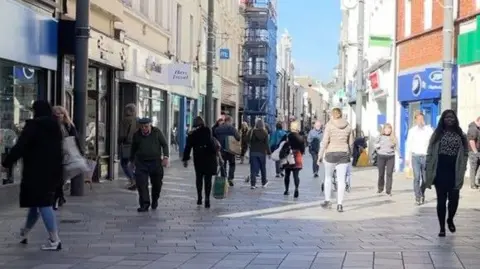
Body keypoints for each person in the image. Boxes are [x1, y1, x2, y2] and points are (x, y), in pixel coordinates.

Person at [2, 100, 63, 250]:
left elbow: (19, 147)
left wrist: (5, 163)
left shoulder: (33, 126)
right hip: (53, 171)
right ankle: (25, 232)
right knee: (36, 204)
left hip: (36, 172)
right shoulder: (55, 126)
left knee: (43, 204)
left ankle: (54, 239)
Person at [425, 109, 468, 237]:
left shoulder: (461, 134)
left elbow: (466, 152)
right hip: (440, 169)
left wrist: (463, 165)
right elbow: (430, 151)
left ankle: (450, 219)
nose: (450, 119)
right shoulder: (437, 134)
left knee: (454, 199)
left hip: (455, 169)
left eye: (452, 117)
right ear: (443, 120)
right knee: (441, 200)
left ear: (455, 119)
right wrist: (428, 168)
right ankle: (442, 228)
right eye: (447, 117)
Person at [129, 118, 169, 212]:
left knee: (157, 184)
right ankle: (144, 204)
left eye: (146, 126)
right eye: (142, 126)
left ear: (150, 125)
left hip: (155, 162)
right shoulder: (137, 135)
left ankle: (155, 199)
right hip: (141, 163)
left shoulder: (157, 132)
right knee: (141, 184)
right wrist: (131, 161)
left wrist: (165, 157)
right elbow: (133, 148)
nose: (144, 128)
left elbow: (165, 144)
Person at [318, 108, 353, 213]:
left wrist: (320, 156)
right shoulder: (348, 126)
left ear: (332, 115)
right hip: (343, 154)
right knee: (341, 180)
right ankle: (340, 204)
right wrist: (349, 154)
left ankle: (327, 201)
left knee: (328, 178)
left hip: (331, 154)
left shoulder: (329, 125)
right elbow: (351, 143)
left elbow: (324, 142)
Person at [182, 116, 218, 208]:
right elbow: (211, 143)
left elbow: (188, 147)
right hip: (209, 157)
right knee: (208, 179)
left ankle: (199, 198)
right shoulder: (208, 130)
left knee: (199, 178)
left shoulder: (192, 134)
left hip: (198, 158)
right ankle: (207, 199)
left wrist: (185, 159)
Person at [52, 106, 83, 210]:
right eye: (56, 114)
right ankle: (58, 197)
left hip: (66, 155)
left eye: (61, 114)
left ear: (64, 115)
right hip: (54, 155)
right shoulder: (50, 125)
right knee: (57, 179)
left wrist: (80, 152)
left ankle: (59, 197)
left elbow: (76, 139)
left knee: (60, 179)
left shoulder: (69, 125)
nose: (59, 116)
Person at [405, 112, 434, 205]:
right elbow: (408, 145)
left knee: (425, 179)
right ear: (415, 120)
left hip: (425, 156)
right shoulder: (412, 131)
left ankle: (422, 192)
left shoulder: (428, 130)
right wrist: (407, 158)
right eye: (418, 119)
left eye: (422, 119)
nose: (420, 121)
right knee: (417, 177)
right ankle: (417, 197)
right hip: (415, 156)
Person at [281, 121, 305, 198]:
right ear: (297, 128)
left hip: (288, 156)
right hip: (297, 156)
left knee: (287, 174)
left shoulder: (286, 136)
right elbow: (303, 149)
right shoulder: (300, 137)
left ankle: (286, 190)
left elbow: (281, 145)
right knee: (296, 175)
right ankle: (296, 188)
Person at [214, 115, 240, 186]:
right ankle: (230, 178)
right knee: (232, 164)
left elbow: (214, 138)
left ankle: (223, 179)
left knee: (223, 164)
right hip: (230, 149)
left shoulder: (218, 129)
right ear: (229, 121)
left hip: (221, 150)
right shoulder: (232, 128)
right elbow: (238, 138)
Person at [118, 104, 137, 191]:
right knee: (132, 163)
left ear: (129, 111)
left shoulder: (125, 120)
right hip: (136, 145)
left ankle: (132, 180)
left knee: (124, 163)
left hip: (127, 144)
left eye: (126, 110)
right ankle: (134, 180)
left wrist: (119, 142)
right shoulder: (137, 120)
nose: (125, 111)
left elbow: (123, 134)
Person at [248, 119, 271, 189]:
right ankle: (263, 182)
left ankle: (253, 184)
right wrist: (269, 153)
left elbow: (246, 139)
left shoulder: (252, 132)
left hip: (253, 152)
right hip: (262, 153)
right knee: (263, 168)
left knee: (253, 169)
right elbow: (267, 144)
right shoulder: (265, 133)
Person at [375, 123, 397, 196]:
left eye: (389, 128)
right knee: (381, 174)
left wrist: (400, 156)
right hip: (381, 156)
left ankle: (388, 190)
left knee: (389, 173)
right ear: (383, 129)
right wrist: (377, 146)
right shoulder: (380, 136)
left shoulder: (393, 137)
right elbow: (375, 144)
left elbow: (397, 147)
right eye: (386, 128)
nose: (387, 130)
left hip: (390, 156)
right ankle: (380, 188)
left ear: (391, 130)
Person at [466, 116, 480, 189]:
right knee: (473, 167)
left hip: (477, 151)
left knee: (477, 167)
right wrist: (475, 152)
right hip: (473, 151)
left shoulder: (477, 128)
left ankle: (476, 182)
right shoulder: (473, 128)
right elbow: (471, 141)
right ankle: (472, 184)